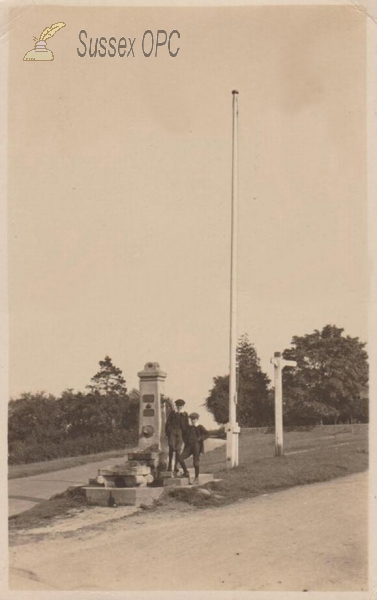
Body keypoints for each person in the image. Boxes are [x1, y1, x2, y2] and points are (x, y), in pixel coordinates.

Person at [180, 412, 210, 484]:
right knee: (180, 458)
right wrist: (185, 441)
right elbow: (183, 435)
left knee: (196, 463)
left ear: (197, 419)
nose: (193, 420)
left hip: (196, 446)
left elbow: (207, 434)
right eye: (191, 419)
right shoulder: (188, 427)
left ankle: (196, 478)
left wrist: (201, 438)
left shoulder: (200, 427)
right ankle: (186, 472)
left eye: (194, 419)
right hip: (188, 446)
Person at [165, 398, 189, 475]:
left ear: (183, 406)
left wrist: (186, 435)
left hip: (180, 433)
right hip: (172, 432)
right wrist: (167, 432)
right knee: (171, 448)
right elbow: (167, 423)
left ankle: (175, 466)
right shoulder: (172, 413)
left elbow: (187, 425)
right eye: (178, 406)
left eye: (181, 406)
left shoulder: (185, 414)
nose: (179, 407)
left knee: (178, 450)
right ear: (176, 406)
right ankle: (169, 466)